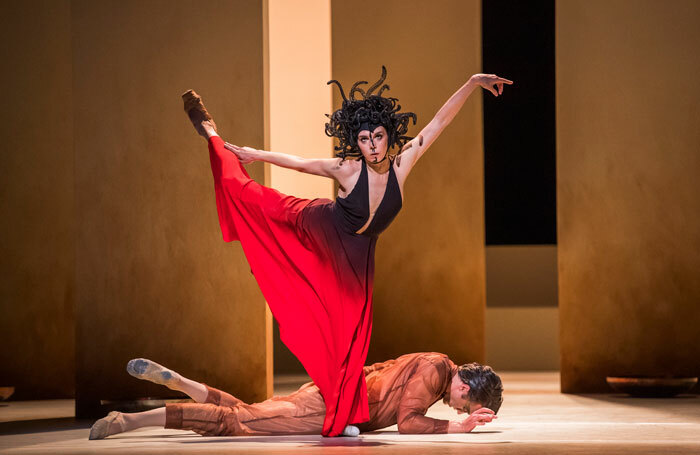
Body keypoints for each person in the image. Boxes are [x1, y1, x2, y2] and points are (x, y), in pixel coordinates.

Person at [179, 68, 511, 436]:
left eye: (378, 137)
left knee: (351, 338)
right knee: (247, 196)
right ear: (358, 141)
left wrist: (470, 84)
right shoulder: (349, 169)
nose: (371, 145)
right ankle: (211, 133)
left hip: (357, 257)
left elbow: (436, 125)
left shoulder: (402, 167)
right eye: (364, 138)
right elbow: (302, 162)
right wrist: (254, 154)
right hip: (319, 226)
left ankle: (345, 415)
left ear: (389, 137)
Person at [89, 353, 503, 439]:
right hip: (329, 406)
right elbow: (409, 422)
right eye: (463, 404)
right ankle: (131, 420)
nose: (456, 407)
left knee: (248, 411)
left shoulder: (432, 360)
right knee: (240, 424)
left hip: (328, 395)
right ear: (464, 388)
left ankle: (184, 383)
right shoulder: (433, 374)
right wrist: (457, 426)